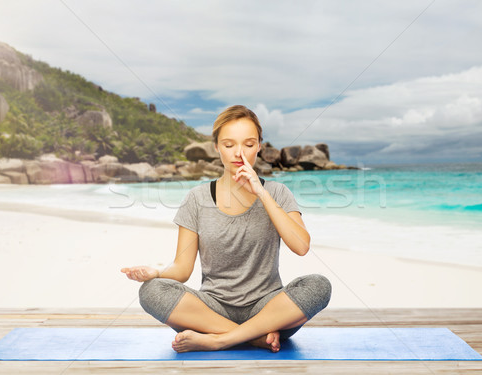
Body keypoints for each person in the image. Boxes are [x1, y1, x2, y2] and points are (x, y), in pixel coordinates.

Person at [121, 105, 331, 353]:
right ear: (217, 147)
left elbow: (301, 246)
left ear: (260, 147)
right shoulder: (197, 198)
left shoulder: (277, 193)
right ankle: (253, 338)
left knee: (319, 285)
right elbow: (182, 269)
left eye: (249, 144)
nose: (239, 153)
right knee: (151, 291)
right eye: (229, 145)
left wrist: (261, 192)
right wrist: (155, 272)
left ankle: (220, 339)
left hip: (268, 309)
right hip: (211, 309)